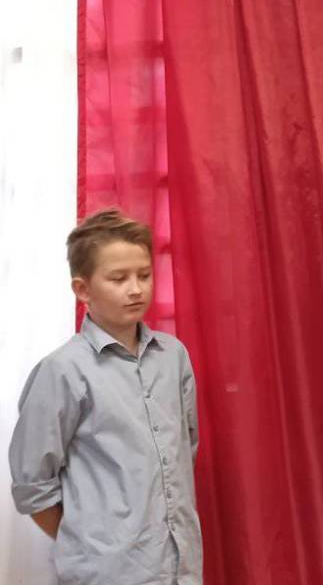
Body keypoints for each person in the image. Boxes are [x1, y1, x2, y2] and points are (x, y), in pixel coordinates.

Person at [8, 208, 202, 584]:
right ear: (83, 289)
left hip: (181, 569)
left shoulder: (174, 356)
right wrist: (92, 543)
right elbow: (33, 486)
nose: (136, 288)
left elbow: (183, 450)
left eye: (144, 275)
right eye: (118, 278)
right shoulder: (62, 371)